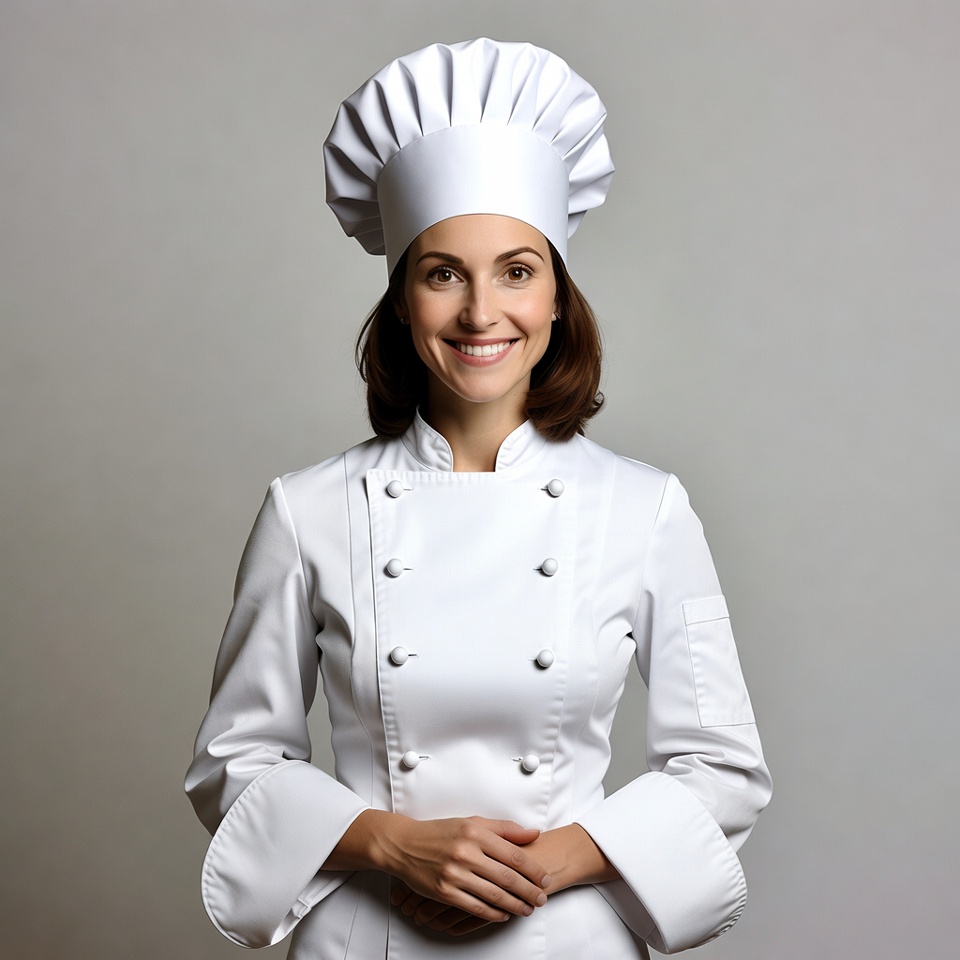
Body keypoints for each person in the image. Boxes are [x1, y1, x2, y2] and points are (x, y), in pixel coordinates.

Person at [185, 38, 772, 960]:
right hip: (364, 935)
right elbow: (235, 761)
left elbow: (724, 766)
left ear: (556, 297)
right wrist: (394, 846)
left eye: (516, 270)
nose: (480, 313)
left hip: (566, 937)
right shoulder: (307, 510)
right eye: (443, 272)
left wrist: (553, 863)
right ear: (403, 298)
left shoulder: (646, 507)